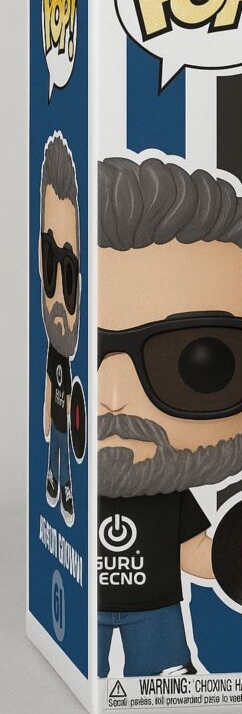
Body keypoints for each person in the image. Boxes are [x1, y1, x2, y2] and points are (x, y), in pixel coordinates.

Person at [97, 156, 242, 676]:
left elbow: (197, 555)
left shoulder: (170, 497)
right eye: (83, 357)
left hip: (157, 611)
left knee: (164, 675)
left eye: (198, 364)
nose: (113, 399)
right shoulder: (70, 490)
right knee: (80, 664)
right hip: (80, 603)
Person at [40, 132, 81, 527]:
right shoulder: (57, 350)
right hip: (57, 422)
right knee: (54, 451)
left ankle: (64, 487)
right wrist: (44, 415)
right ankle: (54, 483)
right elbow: (50, 385)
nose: (55, 299)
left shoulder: (69, 357)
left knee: (64, 455)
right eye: (48, 258)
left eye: (67, 272)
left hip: (67, 425)